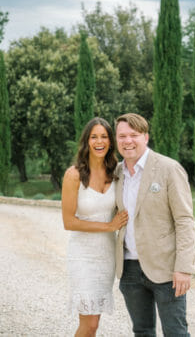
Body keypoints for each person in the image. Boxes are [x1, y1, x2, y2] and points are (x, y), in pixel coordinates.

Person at [114, 113, 195, 336]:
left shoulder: (169, 169)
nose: (128, 141)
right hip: (129, 269)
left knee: (175, 332)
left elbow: (185, 220)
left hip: (166, 269)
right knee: (142, 331)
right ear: (116, 140)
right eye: (122, 136)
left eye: (134, 135)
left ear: (146, 137)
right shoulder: (117, 173)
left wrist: (183, 268)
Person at [61, 117, 129, 337]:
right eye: (94, 137)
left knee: (95, 322)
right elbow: (69, 222)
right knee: (88, 323)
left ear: (110, 141)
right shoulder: (74, 175)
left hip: (106, 256)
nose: (99, 141)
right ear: (86, 141)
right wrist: (109, 226)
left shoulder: (116, 174)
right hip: (82, 256)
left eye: (104, 136)